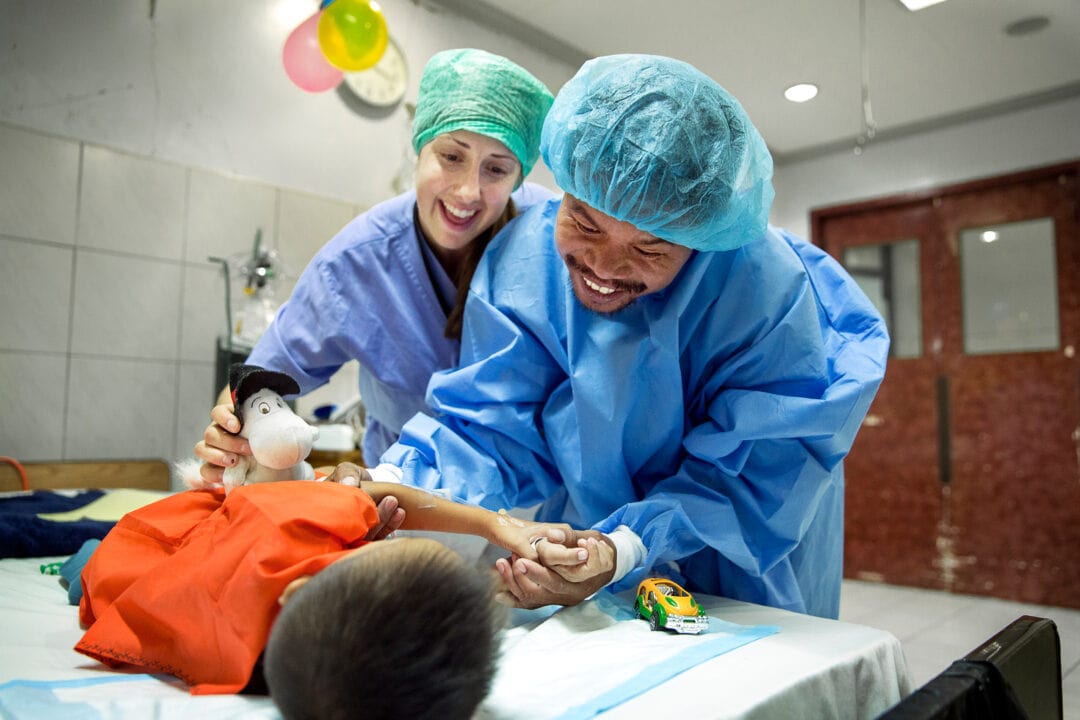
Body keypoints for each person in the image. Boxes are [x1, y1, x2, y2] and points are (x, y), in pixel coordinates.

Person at [363, 54, 891, 619]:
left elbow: (754, 472)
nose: (603, 267)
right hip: (589, 543)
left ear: (700, 235)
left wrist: (625, 547)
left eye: (649, 247)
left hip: (739, 560)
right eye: (584, 223)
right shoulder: (524, 264)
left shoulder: (763, 295)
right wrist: (390, 482)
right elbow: (490, 424)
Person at [195, 48, 555, 483]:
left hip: (529, 502)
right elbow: (257, 381)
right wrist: (229, 436)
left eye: (496, 170)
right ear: (419, 149)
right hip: (401, 498)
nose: (467, 192)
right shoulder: (355, 263)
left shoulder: (550, 239)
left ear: (519, 179)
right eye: (452, 157)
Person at [75, 474, 589, 718]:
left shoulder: (290, 527)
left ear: (295, 588)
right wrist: (497, 587)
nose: (397, 541)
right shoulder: (272, 667)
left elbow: (375, 496)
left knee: (105, 553)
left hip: (151, 540)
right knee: (92, 568)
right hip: (117, 589)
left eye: (378, 553)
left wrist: (493, 526)